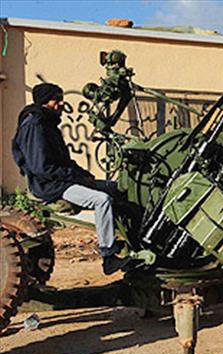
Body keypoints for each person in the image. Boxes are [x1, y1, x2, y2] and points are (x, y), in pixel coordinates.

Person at [11, 83, 132, 275]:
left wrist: (84, 175)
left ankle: (133, 243)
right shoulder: (35, 125)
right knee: (102, 200)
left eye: (61, 98)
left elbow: (65, 162)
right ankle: (108, 255)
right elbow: (42, 168)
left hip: (63, 180)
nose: (61, 103)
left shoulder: (48, 124)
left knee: (116, 188)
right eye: (56, 99)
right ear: (44, 101)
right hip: (50, 186)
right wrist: (77, 178)